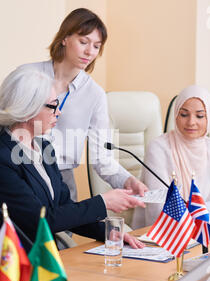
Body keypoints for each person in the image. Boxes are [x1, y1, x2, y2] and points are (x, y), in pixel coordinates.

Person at [0, 68, 145, 252]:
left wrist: (107, 232)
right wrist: (102, 203)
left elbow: (64, 208)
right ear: (26, 111)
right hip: (15, 266)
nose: (59, 112)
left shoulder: (44, 147)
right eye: (52, 105)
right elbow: (41, 221)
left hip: (48, 260)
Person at [16, 8, 148, 202]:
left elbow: (102, 158)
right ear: (64, 38)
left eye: (96, 46)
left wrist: (128, 181)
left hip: (62, 180)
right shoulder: (26, 76)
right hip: (21, 173)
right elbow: (3, 126)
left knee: (64, 232)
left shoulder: (95, 95)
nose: (89, 51)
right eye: (83, 42)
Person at [131, 85, 210, 230]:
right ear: (176, 115)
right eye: (184, 114)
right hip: (165, 234)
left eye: (199, 116)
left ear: (209, 117)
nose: (191, 122)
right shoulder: (158, 148)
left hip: (203, 230)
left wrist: (202, 211)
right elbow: (160, 209)